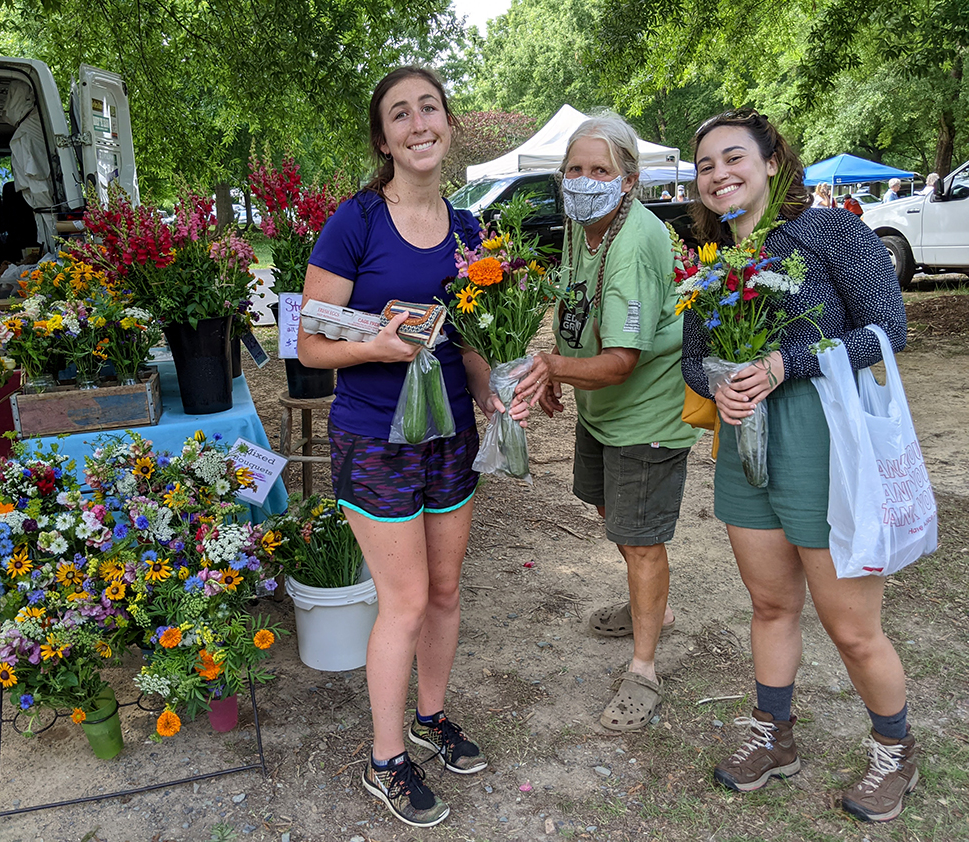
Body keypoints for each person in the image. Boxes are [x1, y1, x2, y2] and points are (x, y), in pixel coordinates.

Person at [297, 66, 527, 829]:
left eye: (430, 107)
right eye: (401, 113)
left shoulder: (470, 232)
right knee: (401, 601)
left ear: (449, 124)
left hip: (452, 435)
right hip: (375, 438)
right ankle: (384, 759)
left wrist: (493, 386)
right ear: (384, 137)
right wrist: (379, 349)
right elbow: (307, 344)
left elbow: (469, 342)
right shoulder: (355, 221)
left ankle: (431, 718)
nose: (419, 122)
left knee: (446, 592)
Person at [683, 108, 915, 823]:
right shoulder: (714, 261)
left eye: (733, 158)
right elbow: (693, 359)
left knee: (852, 627)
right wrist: (716, 380)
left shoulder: (831, 231)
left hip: (827, 441)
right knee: (771, 605)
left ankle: (894, 749)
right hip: (746, 445)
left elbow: (887, 330)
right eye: (706, 166)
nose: (719, 174)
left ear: (772, 162)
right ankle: (773, 734)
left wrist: (788, 361)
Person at [515, 112, 698, 732]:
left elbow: (620, 362)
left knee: (642, 540)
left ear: (628, 180)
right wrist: (558, 373)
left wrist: (552, 368)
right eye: (574, 169)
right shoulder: (582, 226)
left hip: (645, 414)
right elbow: (577, 311)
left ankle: (644, 669)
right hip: (602, 415)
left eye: (600, 170)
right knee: (613, 516)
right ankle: (656, 610)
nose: (584, 179)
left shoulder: (635, 240)